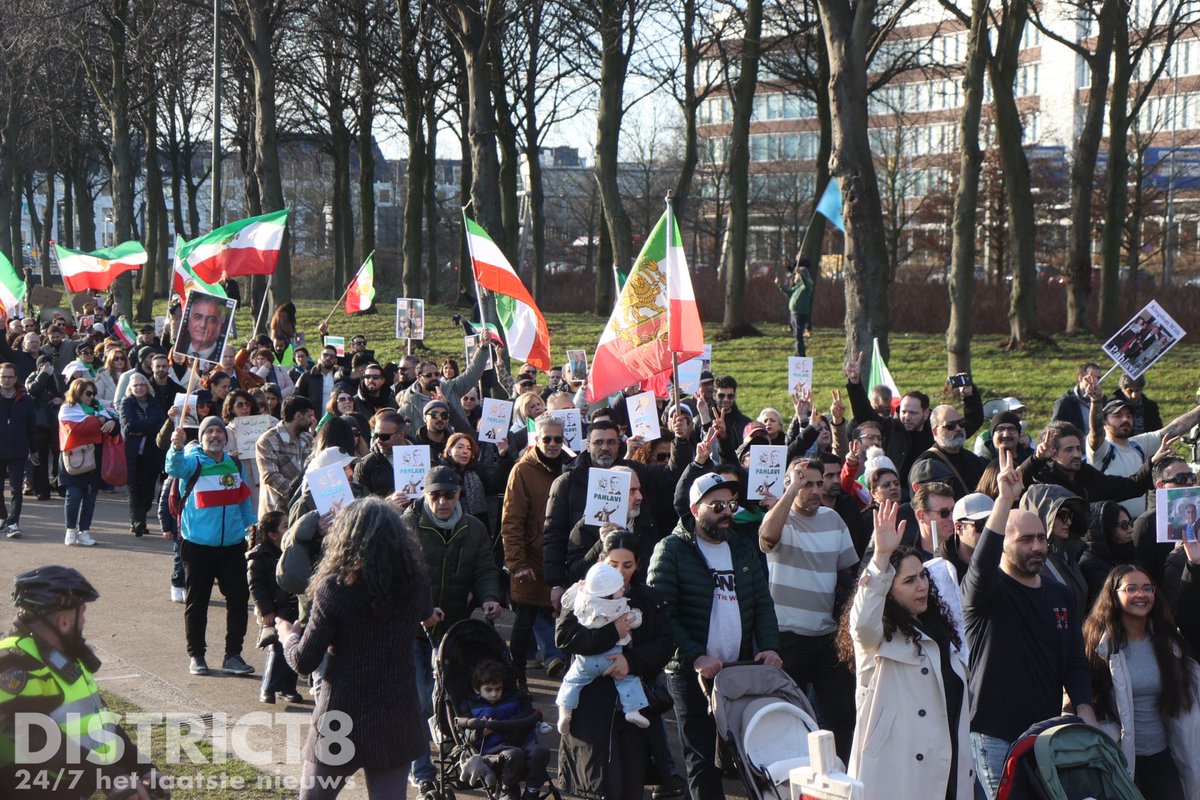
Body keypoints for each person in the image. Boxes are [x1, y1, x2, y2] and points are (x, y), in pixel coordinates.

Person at [962, 450, 1097, 800]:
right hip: (993, 735)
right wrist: (1004, 500)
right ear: (1003, 544)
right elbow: (980, 566)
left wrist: (1085, 711)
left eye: (1041, 538)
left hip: (1044, 734)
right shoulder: (985, 593)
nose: (1037, 547)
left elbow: (1073, 662)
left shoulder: (1061, 594)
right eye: (1025, 539)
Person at [278, 498, 433, 799]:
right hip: (396, 714)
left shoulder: (334, 588)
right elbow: (426, 612)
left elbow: (304, 660)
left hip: (342, 714)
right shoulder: (416, 584)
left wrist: (287, 637)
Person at [648, 472, 782, 800]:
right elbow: (662, 613)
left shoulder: (742, 548)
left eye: (732, 504)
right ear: (695, 510)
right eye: (718, 505)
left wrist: (768, 647)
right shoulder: (672, 550)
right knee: (702, 759)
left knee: (749, 755)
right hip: (691, 674)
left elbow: (763, 603)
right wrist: (695, 655)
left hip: (738, 669)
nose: (727, 512)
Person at [837, 500, 973, 800]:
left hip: (948, 774)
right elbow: (860, 623)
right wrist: (881, 558)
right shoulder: (877, 637)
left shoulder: (942, 634)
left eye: (923, 576)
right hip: (897, 779)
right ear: (888, 588)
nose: (921, 585)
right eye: (909, 581)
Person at [1, 566, 163, 799]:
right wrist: (108, 775)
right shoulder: (13, 661)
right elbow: (34, 737)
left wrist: (141, 767)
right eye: (83, 612)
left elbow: (97, 721)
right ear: (64, 621)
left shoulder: (58, 655)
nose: (84, 621)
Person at [401, 465, 502, 798]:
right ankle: (424, 771)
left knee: (457, 701)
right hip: (414, 632)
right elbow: (395, 579)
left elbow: (486, 569)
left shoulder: (473, 528)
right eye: (436, 496)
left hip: (455, 631)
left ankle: (460, 761)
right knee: (422, 700)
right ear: (425, 495)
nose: (443, 502)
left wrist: (489, 598)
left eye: (450, 495)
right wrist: (421, 612)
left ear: (459, 494)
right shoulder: (407, 526)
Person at [557, 530, 678, 800]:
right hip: (591, 709)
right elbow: (564, 638)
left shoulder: (650, 599)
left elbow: (665, 644)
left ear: (637, 565)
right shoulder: (582, 593)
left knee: (632, 784)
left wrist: (630, 661)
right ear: (601, 561)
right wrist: (612, 633)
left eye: (628, 565)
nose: (621, 572)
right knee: (599, 786)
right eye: (613, 565)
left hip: (635, 706)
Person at [759, 457, 859, 758]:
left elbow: (849, 573)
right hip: (787, 637)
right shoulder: (780, 517)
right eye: (806, 484)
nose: (815, 489)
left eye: (818, 483)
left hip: (827, 636)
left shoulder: (833, 519)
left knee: (842, 717)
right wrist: (790, 492)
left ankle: (841, 780)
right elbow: (767, 538)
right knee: (790, 719)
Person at [1083, 563, 1200, 800]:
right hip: (1119, 761)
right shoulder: (1099, 648)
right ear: (1113, 596)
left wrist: (1194, 564)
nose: (1141, 594)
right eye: (1131, 588)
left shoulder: (1169, 644)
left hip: (1163, 757)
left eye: (1148, 589)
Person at [166, 415, 257, 677]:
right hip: (197, 546)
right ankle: (197, 655)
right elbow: (173, 467)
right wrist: (176, 445)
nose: (215, 435)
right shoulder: (191, 463)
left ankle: (234, 655)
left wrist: (252, 526)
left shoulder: (234, 464)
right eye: (210, 432)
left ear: (226, 438)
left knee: (239, 599)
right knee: (197, 602)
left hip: (232, 545)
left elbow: (242, 500)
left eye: (219, 431)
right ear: (202, 437)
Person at [503, 413, 571, 687]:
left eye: (558, 438)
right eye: (547, 439)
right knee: (523, 625)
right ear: (536, 439)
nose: (553, 444)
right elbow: (512, 521)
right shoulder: (522, 470)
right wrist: (517, 563)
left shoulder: (570, 467)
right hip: (531, 559)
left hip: (562, 558)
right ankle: (516, 680)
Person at [556, 562, 651, 733]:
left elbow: (566, 604)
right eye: (619, 589)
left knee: (571, 682)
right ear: (609, 594)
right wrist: (637, 615)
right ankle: (632, 710)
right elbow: (635, 621)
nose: (623, 591)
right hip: (612, 657)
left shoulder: (584, 604)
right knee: (628, 680)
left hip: (585, 662)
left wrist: (579, 587)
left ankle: (565, 712)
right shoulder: (619, 607)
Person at [461, 659, 551, 800]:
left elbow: (527, 714)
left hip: (521, 740)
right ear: (477, 690)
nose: (494, 694)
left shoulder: (515, 698)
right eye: (488, 690)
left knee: (540, 752)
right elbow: (466, 734)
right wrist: (482, 731)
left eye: (498, 689)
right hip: (493, 750)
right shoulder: (472, 707)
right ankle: (509, 790)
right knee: (514, 754)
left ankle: (533, 790)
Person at [246, 510, 302, 705]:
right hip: (277, 611)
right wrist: (266, 611)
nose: (289, 529)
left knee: (295, 644)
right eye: (285, 526)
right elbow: (256, 586)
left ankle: (288, 687)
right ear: (273, 534)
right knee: (277, 650)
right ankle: (268, 688)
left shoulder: (292, 549)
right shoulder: (261, 555)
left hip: (294, 608)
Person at [58, 378, 118, 547]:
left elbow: (115, 425)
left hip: (95, 458)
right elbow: (74, 431)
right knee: (74, 495)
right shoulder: (67, 409)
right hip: (74, 457)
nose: (91, 397)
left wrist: (112, 422)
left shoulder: (99, 408)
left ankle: (84, 531)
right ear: (77, 392)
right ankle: (70, 530)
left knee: (90, 498)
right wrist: (96, 421)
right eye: (88, 393)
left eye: (93, 393)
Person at [119, 372, 168, 537]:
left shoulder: (154, 403)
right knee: (134, 487)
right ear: (130, 388)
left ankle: (142, 514)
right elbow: (130, 426)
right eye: (135, 386)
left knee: (148, 489)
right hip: (132, 453)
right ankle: (138, 521)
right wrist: (147, 426)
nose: (139, 388)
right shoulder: (127, 403)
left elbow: (161, 425)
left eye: (142, 385)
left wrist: (143, 429)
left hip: (151, 452)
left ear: (147, 387)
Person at [255, 395, 316, 514]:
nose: (313, 420)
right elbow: (271, 476)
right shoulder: (267, 441)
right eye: (309, 416)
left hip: (302, 508)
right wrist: (300, 493)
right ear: (298, 416)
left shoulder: (307, 438)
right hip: (276, 512)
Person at [0, 362, 35, 538]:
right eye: (3, 377)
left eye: (9, 377)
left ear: (15, 379)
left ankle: (13, 523)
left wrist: (34, 449)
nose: (6, 380)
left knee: (16, 489)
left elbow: (31, 427)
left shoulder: (26, 400)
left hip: (18, 451)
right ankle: (2, 516)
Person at [1079, 501, 1137, 608]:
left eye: (1130, 523)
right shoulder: (1090, 564)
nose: (1130, 529)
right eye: (1124, 525)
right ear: (1107, 529)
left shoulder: (1124, 554)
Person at [354, 409, 409, 497]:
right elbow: (360, 502)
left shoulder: (424, 456)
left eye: (384, 436)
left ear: (400, 435)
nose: (378, 441)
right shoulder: (365, 464)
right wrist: (388, 503)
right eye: (376, 436)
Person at [1051, 362, 1105, 437]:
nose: (1095, 382)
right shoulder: (1065, 403)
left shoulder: (1103, 400)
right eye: (1090, 377)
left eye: (1098, 378)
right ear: (1080, 378)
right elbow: (1055, 430)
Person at [776, 254, 813, 357]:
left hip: (800, 314)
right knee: (796, 335)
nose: (795, 276)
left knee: (798, 336)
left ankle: (800, 356)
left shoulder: (806, 286)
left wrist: (800, 272)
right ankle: (798, 353)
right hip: (793, 314)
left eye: (796, 275)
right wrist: (780, 286)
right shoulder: (797, 287)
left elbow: (806, 282)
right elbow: (789, 293)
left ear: (801, 276)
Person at [178, 295, 229, 361]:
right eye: (198, 317)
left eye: (212, 320)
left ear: (221, 328)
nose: (203, 325)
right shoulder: (177, 351)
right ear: (189, 323)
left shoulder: (223, 358)